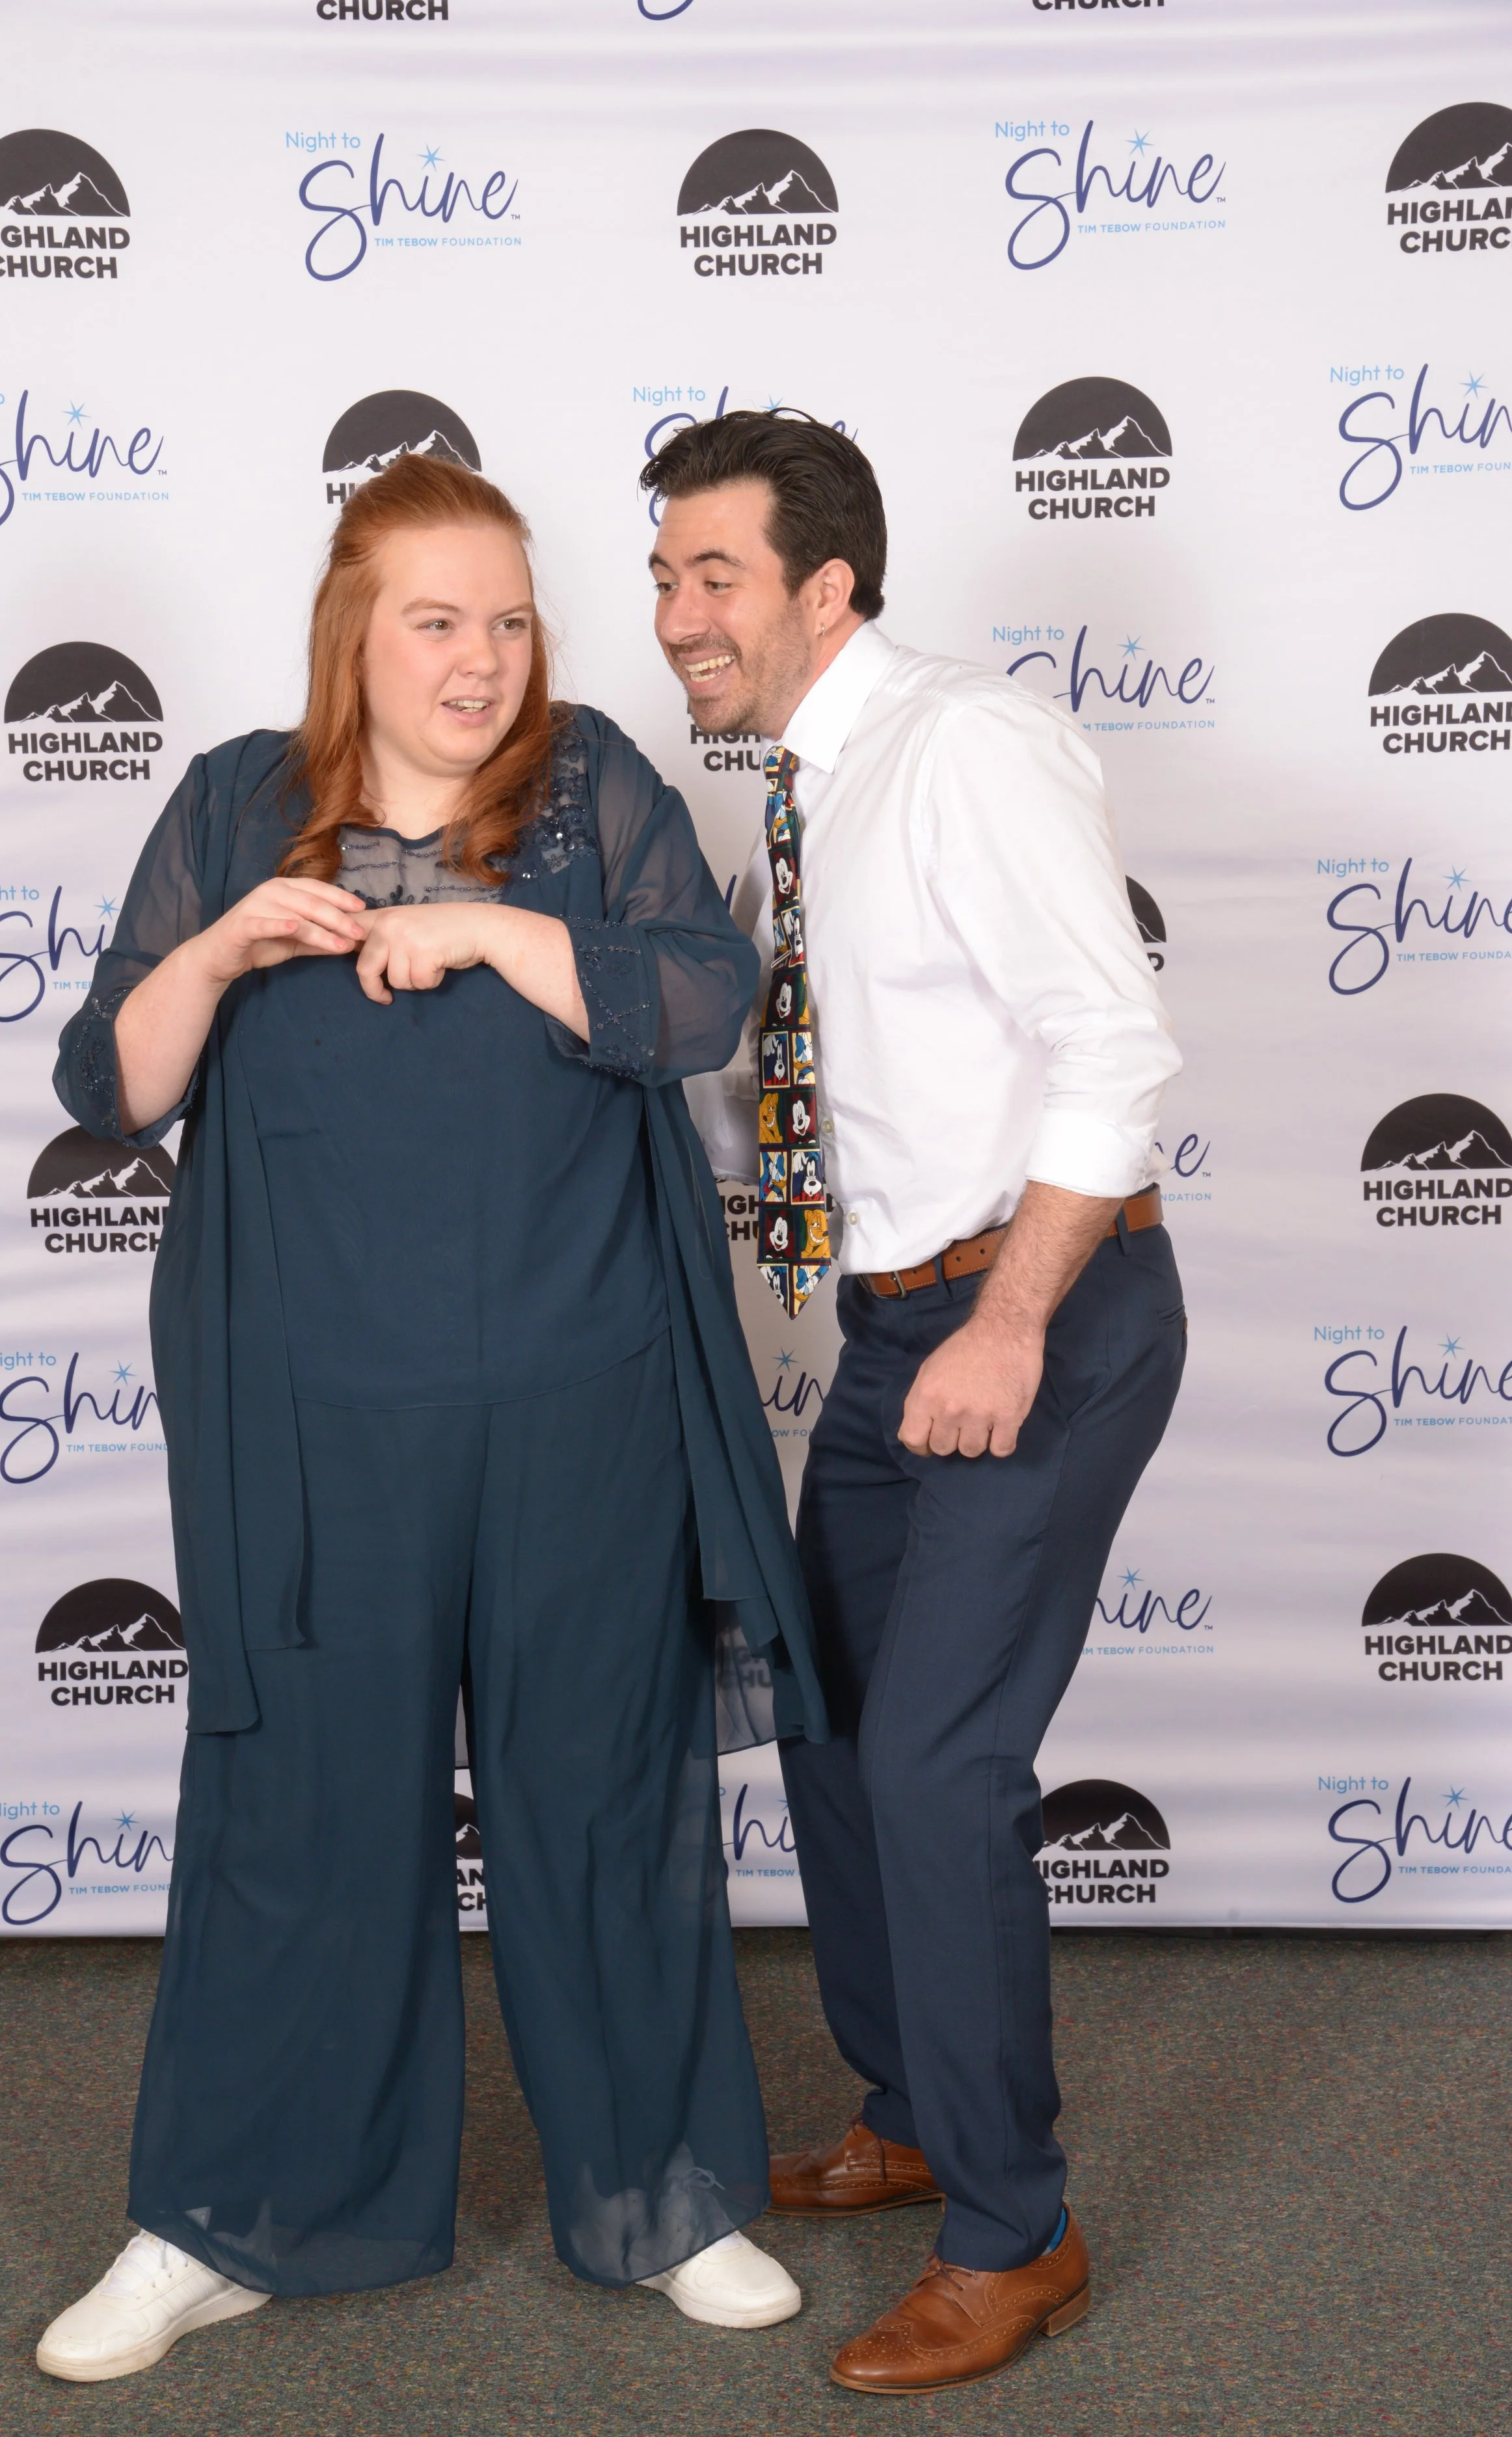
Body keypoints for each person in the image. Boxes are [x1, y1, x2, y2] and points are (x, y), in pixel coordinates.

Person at [35, 453, 824, 2383]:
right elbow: (114, 1084)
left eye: (511, 621)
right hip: (315, 1424)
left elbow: (702, 996)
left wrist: (483, 930)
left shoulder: (590, 790)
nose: (483, 662)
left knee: (600, 1799)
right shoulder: (233, 803)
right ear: (353, 634)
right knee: (297, 1813)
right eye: (438, 621)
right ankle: (223, 2218)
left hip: (583, 1404)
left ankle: (663, 2194)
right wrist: (224, 944)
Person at [644, 411, 1185, 2395]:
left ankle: (1014, 2234)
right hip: (896, 1333)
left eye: (713, 575)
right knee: (834, 1721)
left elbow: (1112, 1049)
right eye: (662, 576)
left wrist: (1009, 1324)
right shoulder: (809, 789)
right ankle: (916, 2111)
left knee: (938, 1765)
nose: (675, 615)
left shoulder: (964, 744)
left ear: (824, 586)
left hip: (1035, 1312)